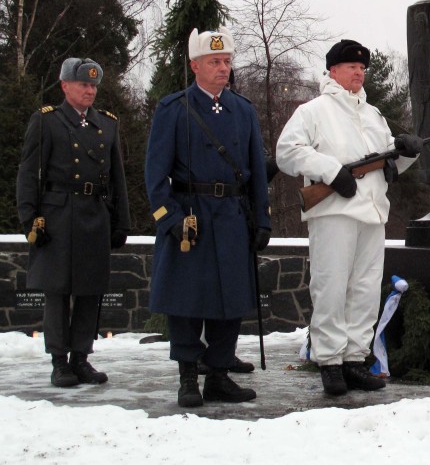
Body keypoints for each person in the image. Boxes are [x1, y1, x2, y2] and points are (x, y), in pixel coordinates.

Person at [276, 40, 422, 396]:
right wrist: (329, 171)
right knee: (331, 287)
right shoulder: (313, 111)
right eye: (352, 67)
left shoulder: (372, 115)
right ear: (333, 71)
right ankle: (329, 362)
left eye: (362, 69)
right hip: (334, 212)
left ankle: (355, 359)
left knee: (366, 290)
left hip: (372, 212)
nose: (359, 73)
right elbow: (287, 152)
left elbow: (388, 164)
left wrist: (407, 154)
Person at [145, 29, 272, 408]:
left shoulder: (243, 110)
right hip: (191, 217)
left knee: (229, 300)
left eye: (227, 61)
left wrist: (261, 219)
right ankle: (188, 378)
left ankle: (219, 375)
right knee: (187, 301)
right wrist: (171, 219)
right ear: (195, 65)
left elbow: (256, 172)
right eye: (215, 62)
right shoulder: (173, 109)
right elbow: (155, 177)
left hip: (232, 217)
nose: (223, 68)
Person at [16, 58, 131, 388]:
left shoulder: (106, 124)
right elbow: (28, 174)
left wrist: (120, 221)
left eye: (94, 85)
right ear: (65, 85)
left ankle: (81, 357)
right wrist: (29, 220)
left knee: (89, 291)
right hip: (57, 215)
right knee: (57, 291)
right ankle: (59, 361)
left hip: (93, 214)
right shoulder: (47, 121)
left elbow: (117, 178)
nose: (90, 90)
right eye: (83, 84)